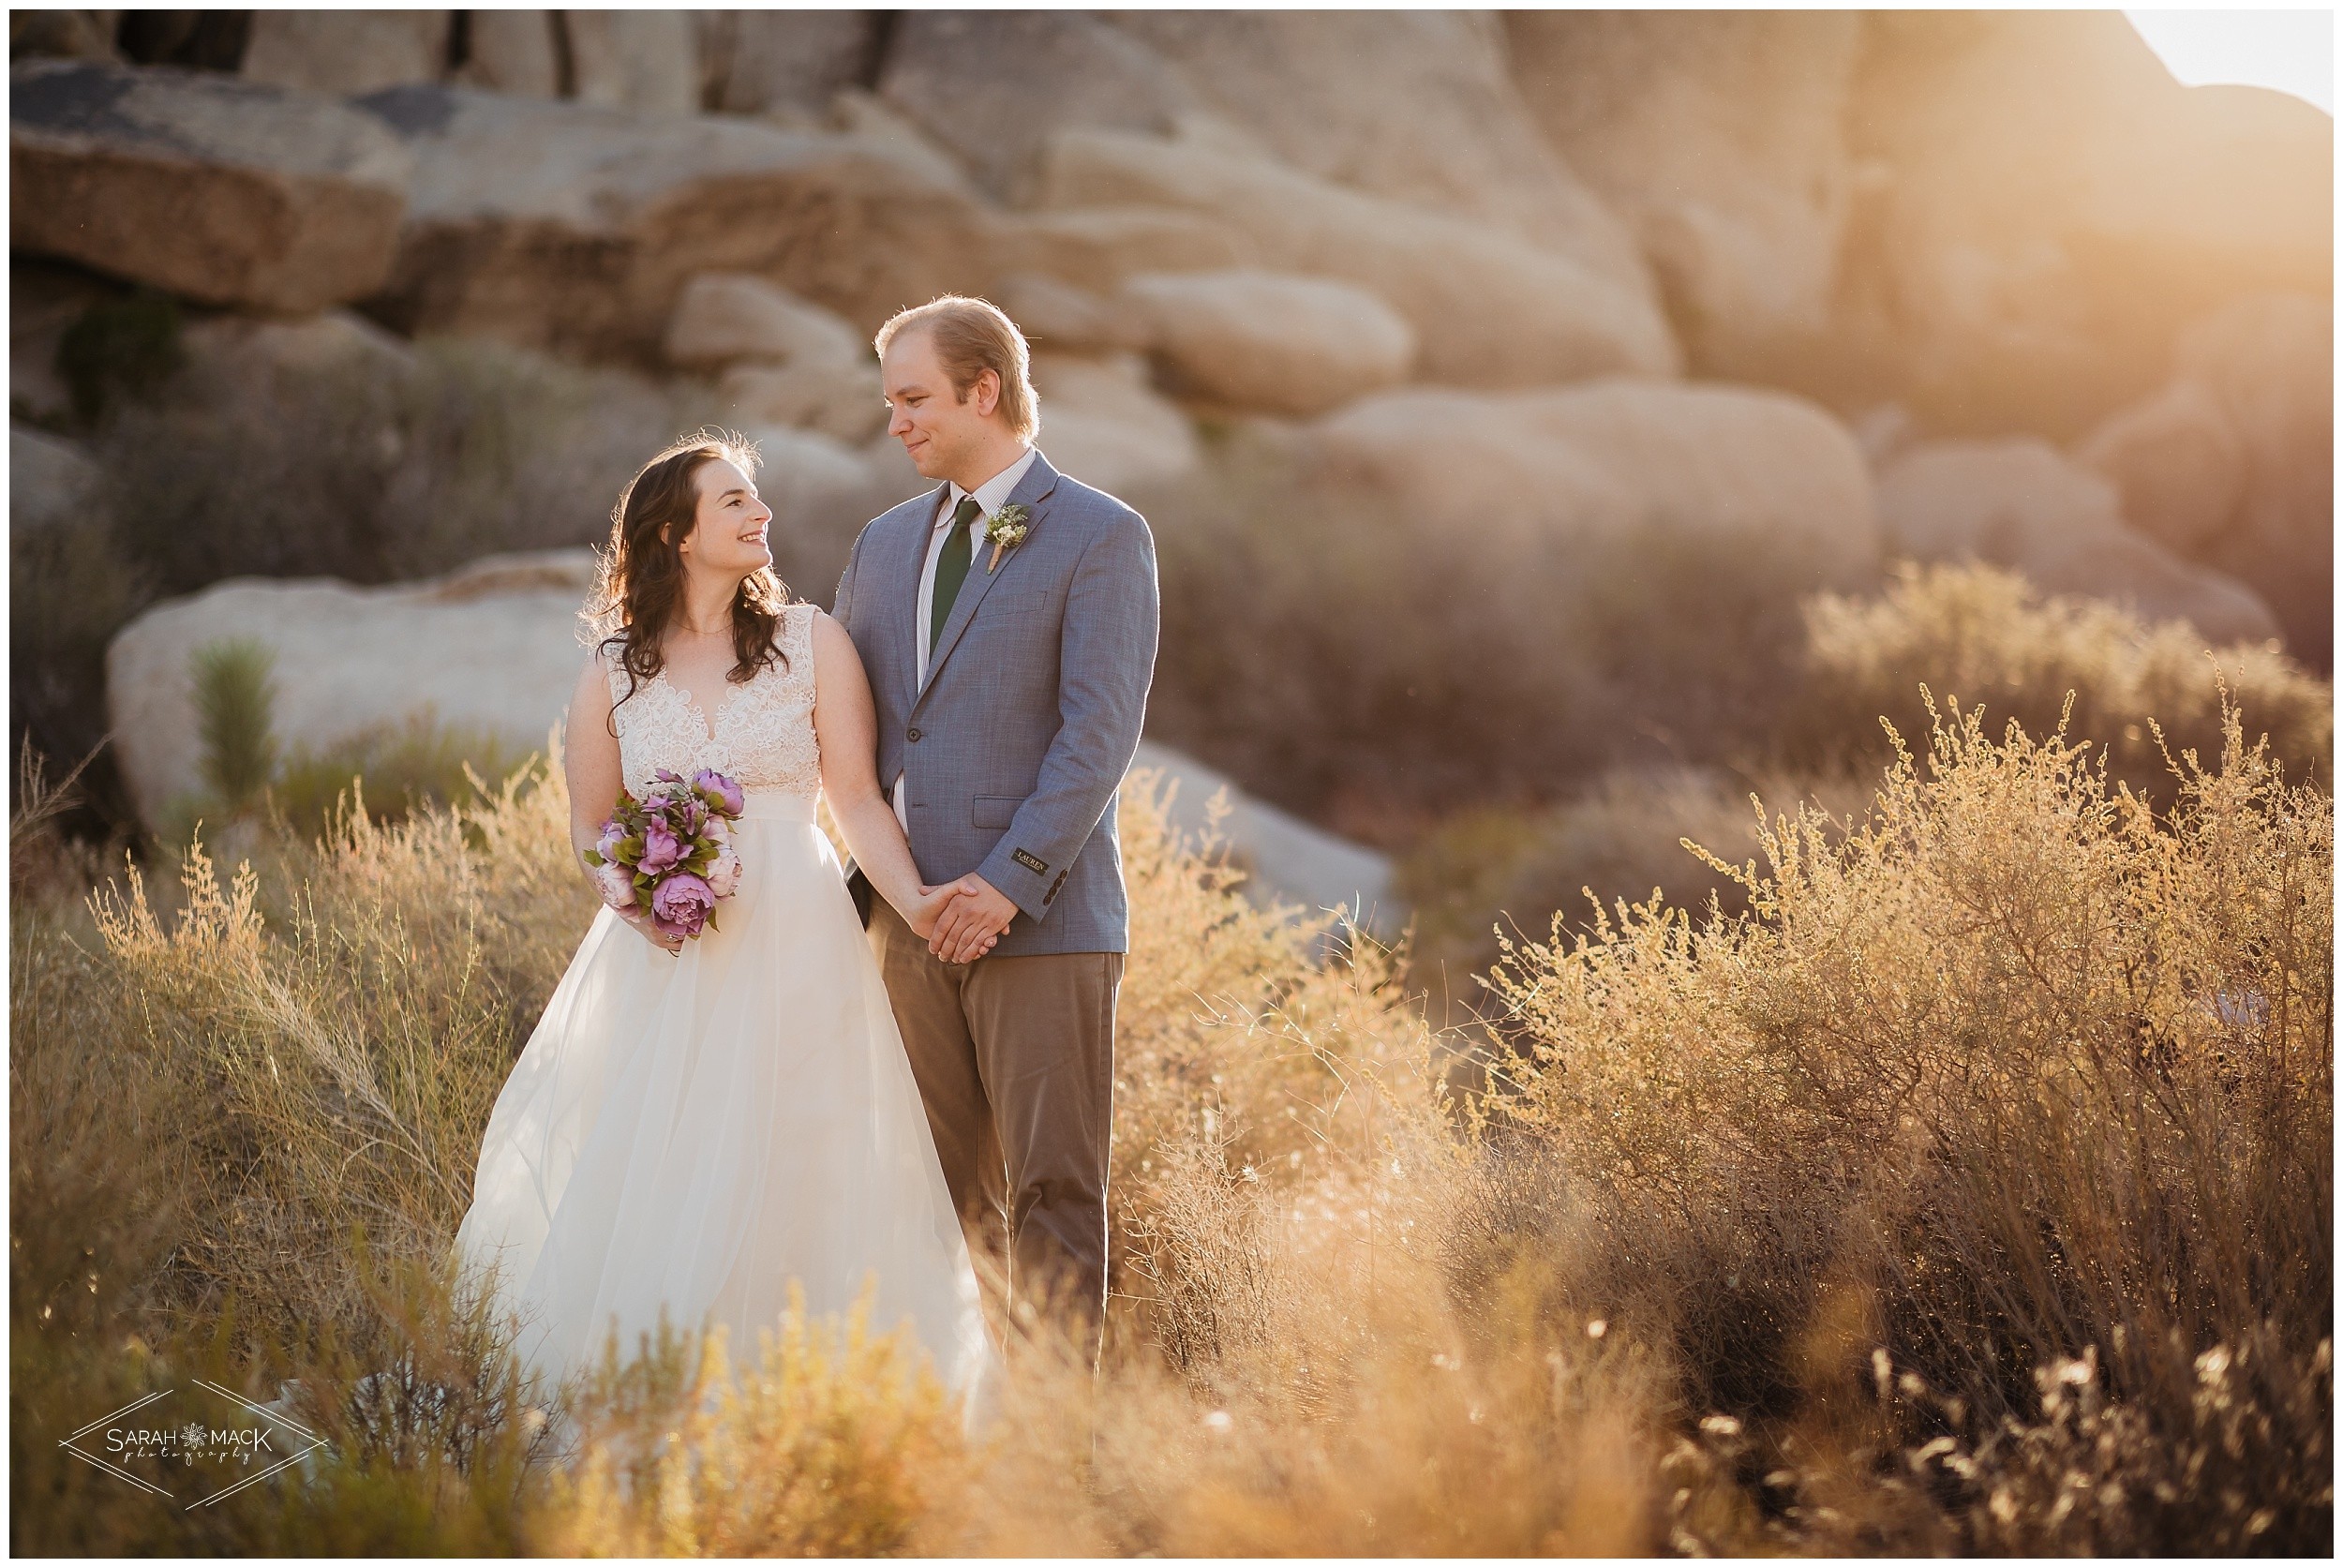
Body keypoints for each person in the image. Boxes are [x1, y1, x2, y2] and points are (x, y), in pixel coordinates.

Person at [455, 431, 992, 1397]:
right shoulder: (614, 671)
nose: (762, 514)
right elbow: (590, 823)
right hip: (669, 955)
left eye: (758, 498)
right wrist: (633, 897)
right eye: (736, 501)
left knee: (807, 1145)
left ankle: (810, 1392)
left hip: (798, 936)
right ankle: (652, 1385)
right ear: (676, 532)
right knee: (661, 1156)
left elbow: (858, 798)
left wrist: (912, 898)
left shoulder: (810, 640)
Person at [832, 297, 1160, 1367]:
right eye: (890, 402)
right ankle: (956, 1429)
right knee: (928, 1195)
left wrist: (1006, 882)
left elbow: (1097, 734)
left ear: (985, 390)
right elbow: (851, 728)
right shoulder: (882, 545)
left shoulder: (1102, 534)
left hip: (1043, 922)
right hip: (903, 924)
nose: (897, 424)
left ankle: (1051, 1460)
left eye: (914, 398)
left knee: (1054, 1190)